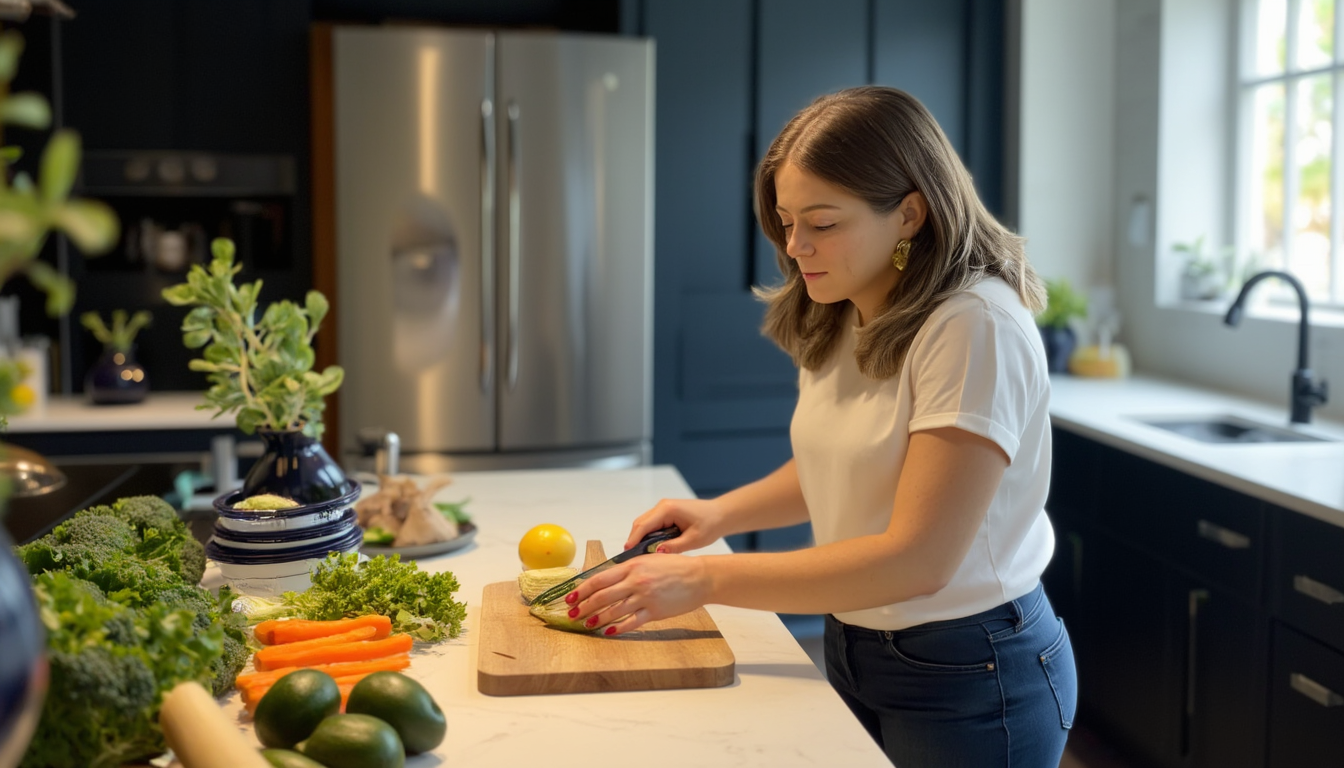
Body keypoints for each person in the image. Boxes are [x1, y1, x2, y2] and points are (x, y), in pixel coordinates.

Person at [565, 85, 1077, 767]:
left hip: (973, 670)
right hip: (857, 642)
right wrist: (718, 515)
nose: (794, 245)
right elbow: (841, 466)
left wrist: (709, 581)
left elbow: (919, 559)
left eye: (823, 222)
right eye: (783, 220)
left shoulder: (972, 326)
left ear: (909, 214)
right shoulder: (844, 301)